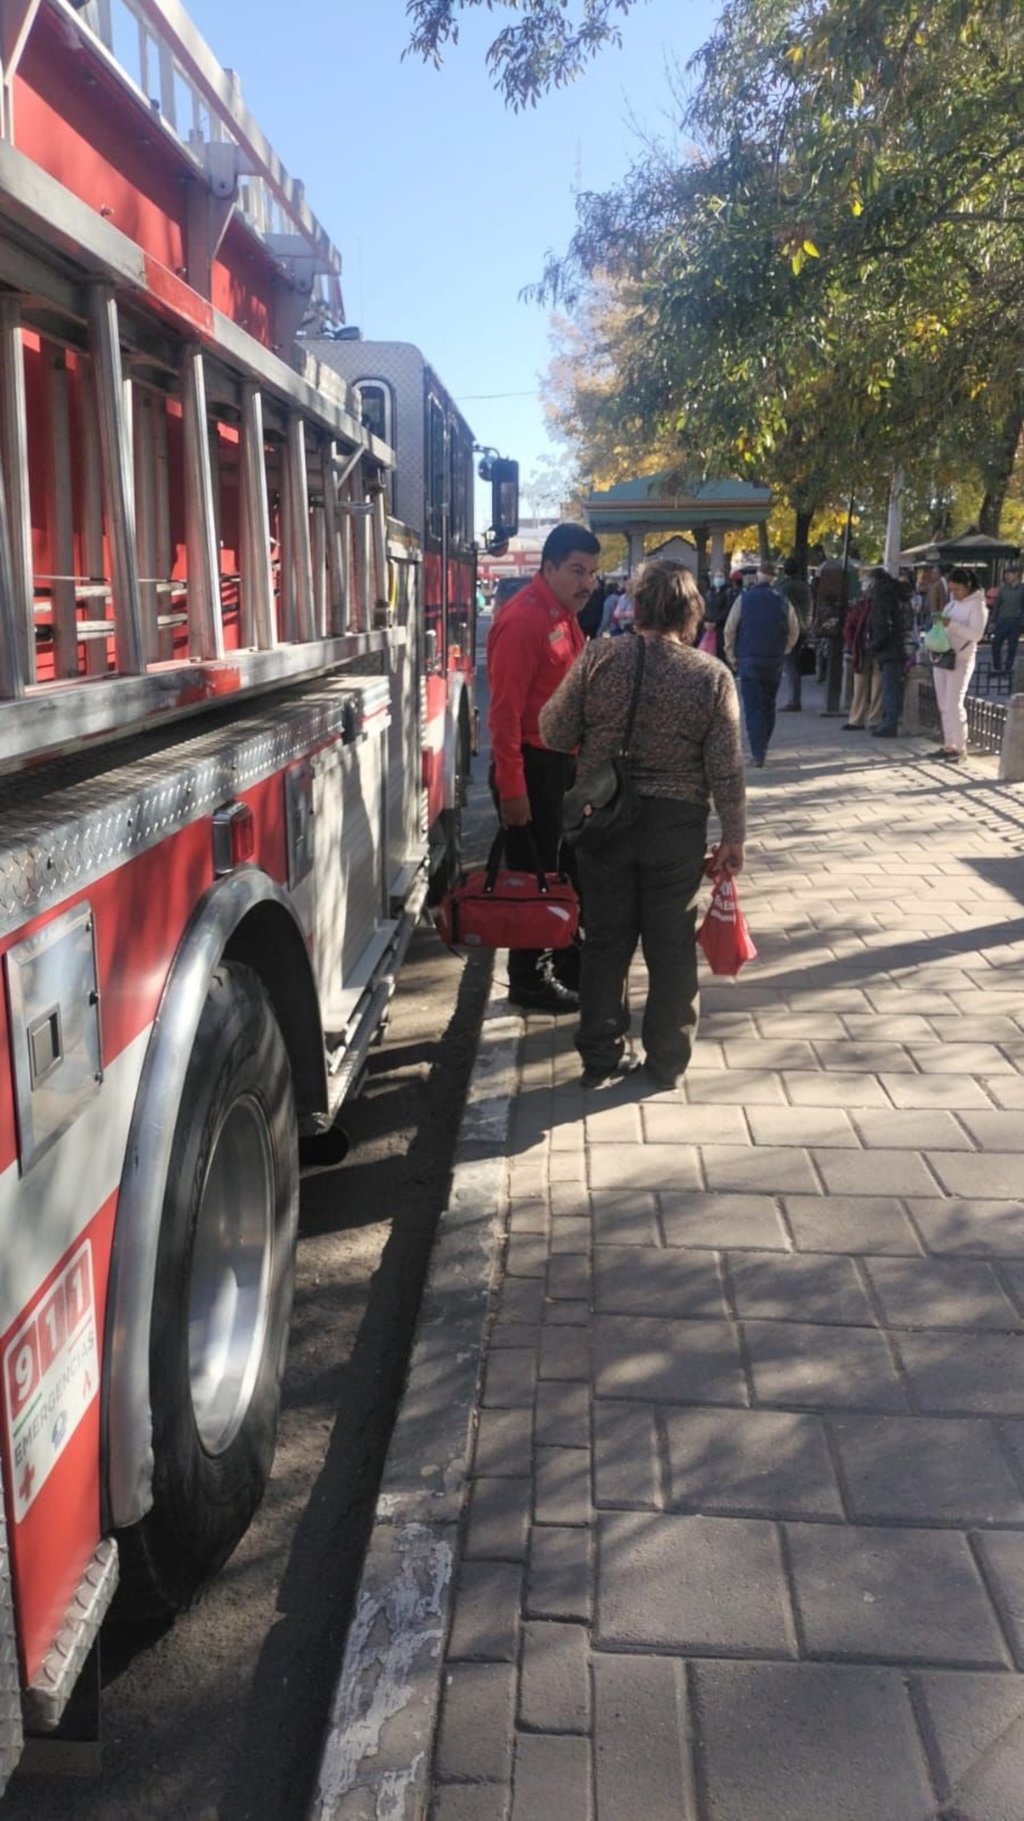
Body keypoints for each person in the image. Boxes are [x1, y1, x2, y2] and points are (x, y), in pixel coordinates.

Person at [538, 562, 745, 1090]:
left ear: (637, 607)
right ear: (690, 612)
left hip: (604, 818)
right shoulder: (710, 675)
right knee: (670, 943)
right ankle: (667, 1061)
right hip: (676, 826)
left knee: (606, 940)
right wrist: (734, 836)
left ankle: (600, 1057)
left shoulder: (599, 657)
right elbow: (726, 766)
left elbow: (554, 731)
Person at [487, 522, 600, 1011]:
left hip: (560, 767)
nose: (588, 583)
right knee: (535, 877)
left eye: (593, 573)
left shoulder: (563, 615)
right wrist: (514, 791)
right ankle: (529, 980)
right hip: (532, 770)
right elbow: (504, 715)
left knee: (562, 872)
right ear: (548, 567)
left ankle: (565, 957)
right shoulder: (524, 621)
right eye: (577, 570)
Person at [723, 561, 800, 766]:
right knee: (768, 704)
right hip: (774, 660)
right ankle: (763, 744)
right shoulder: (784, 601)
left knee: (753, 707)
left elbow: (729, 629)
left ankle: (758, 752)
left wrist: (731, 656)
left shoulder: (744, 599)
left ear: (757, 576)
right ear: (774, 578)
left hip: (749, 659)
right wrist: (784, 650)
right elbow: (794, 630)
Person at [927, 565, 988, 763]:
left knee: (954, 703)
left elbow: (976, 634)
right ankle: (949, 744)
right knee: (944, 703)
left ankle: (960, 748)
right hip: (943, 655)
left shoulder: (977, 605)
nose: (955, 593)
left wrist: (950, 624)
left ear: (968, 586)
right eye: (951, 590)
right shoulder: (952, 604)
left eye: (958, 589)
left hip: (961, 659)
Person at [866, 567, 913, 739]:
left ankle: (889, 723)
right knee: (893, 687)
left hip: (889, 647)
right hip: (903, 643)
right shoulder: (901, 594)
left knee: (890, 687)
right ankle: (889, 720)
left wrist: (874, 645)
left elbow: (881, 624)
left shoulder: (882, 596)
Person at [841, 586, 882, 730]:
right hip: (875, 649)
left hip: (862, 648)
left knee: (860, 685)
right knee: (876, 685)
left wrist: (852, 644)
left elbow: (849, 626)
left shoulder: (861, 606)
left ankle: (856, 719)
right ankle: (873, 719)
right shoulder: (881, 606)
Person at [777, 556, 812, 711]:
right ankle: (795, 697)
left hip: (789, 629)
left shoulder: (783, 587)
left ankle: (794, 699)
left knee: (790, 664)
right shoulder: (805, 587)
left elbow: (780, 609)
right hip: (803, 627)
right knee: (794, 664)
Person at [989, 564, 1024, 677]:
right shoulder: (1003, 588)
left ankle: (1007, 669)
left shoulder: (1022, 589)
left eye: (1009, 574)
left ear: (1016, 575)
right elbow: (997, 606)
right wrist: (993, 621)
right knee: (995, 644)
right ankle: (998, 668)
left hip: (1016, 621)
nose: (1007, 576)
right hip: (1002, 620)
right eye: (1006, 574)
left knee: (1012, 647)